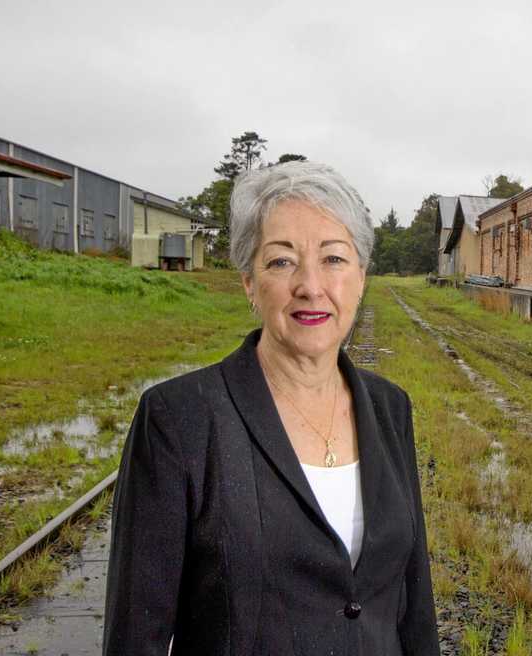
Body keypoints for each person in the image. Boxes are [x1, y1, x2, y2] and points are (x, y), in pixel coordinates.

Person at [103, 161, 438, 655]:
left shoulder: (391, 409)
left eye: (334, 259)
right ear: (248, 282)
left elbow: (414, 607)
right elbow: (136, 636)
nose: (310, 285)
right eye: (282, 261)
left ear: (361, 278)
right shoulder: (178, 421)